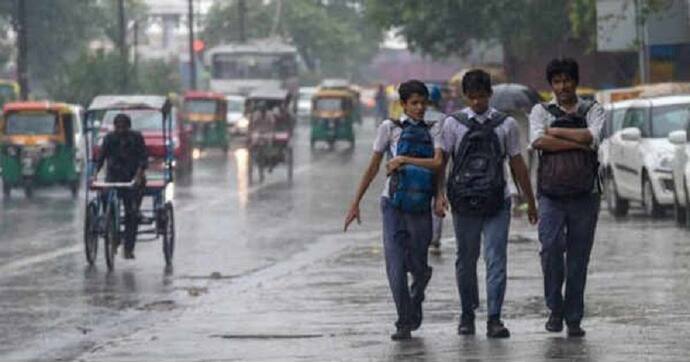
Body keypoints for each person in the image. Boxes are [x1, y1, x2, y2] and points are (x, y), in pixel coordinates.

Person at [437, 69, 537, 338]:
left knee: (496, 260)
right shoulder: (451, 124)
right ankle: (467, 314)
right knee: (466, 260)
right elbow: (442, 162)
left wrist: (530, 200)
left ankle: (494, 318)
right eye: (472, 97)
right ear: (465, 96)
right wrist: (439, 195)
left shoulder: (507, 125)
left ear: (490, 95)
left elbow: (518, 166)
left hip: (498, 201)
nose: (478, 102)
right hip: (464, 202)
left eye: (482, 96)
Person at [344, 80, 444, 341]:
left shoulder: (435, 129)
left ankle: (418, 290)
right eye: (414, 103)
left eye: (423, 103)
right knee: (395, 266)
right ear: (403, 105)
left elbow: (438, 164)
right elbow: (374, 166)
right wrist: (355, 202)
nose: (420, 108)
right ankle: (403, 320)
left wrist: (439, 196)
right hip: (393, 205)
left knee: (418, 265)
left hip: (421, 206)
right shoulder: (389, 128)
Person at [529, 58, 605, 338]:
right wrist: (577, 142)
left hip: (586, 194)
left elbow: (593, 137)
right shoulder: (540, 110)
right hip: (550, 195)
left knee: (578, 257)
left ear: (575, 81)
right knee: (549, 249)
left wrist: (556, 131)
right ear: (551, 84)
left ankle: (573, 317)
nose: (563, 87)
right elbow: (537, 141)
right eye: (557, 82)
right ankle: (554, 309)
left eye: (567, 80)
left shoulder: (593, 109)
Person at [95, 113, 148, 260]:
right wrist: (94, 173)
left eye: (123, 127)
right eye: (117, 127)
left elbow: (144, 158)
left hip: (132, 177)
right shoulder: (109, 138)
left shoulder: (137, 138)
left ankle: (128, 248)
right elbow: (101, 158)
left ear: (129, 127)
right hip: (114, 176)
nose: (120, 130)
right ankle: (111, 228)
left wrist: (138, 174)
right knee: (105, 195)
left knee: (132, 213)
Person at [425, 85, 446, 255]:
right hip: (439, 166)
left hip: (416, 165)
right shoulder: (444, 118)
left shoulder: (410, 117)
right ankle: (435, 239)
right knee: (438, 201)